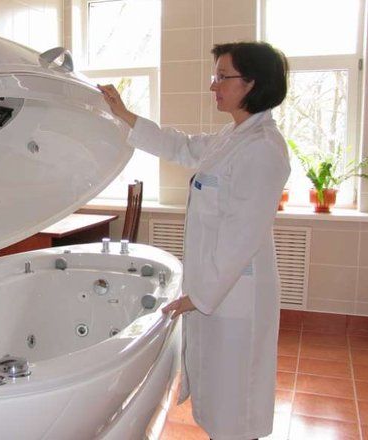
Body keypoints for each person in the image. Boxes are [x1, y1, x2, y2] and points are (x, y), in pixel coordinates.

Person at [99, 41, 290, 440]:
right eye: (214, 75)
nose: (213, 85)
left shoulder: (263, 149)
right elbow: (181, 146)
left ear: (252, 83)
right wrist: (123, 114)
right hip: (220, 288)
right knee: (221, 394)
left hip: (235, 292)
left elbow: (241, 238)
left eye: (222, 76)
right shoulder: (233, 137)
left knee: (236, 400)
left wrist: (197, 296)